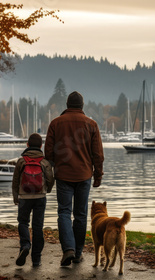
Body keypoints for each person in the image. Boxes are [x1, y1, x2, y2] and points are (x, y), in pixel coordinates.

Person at [45, 91, 104, 266]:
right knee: (80, 215)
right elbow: (98, 154)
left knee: (64, 212)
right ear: (82, 106)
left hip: (63, 175)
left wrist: (56, 167)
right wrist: (98, 175)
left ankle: (68, 249)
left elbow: (48, 153)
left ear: (67, 105)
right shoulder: (91, 124)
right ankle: (78, 253)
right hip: (84, 175)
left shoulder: (55, 123)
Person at [12, 133, 55, 267]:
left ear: (27, 145)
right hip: (40, 197)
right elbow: (50, 179)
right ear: (41, 146)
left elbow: (15, 181)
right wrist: (46, 191)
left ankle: (25, 245)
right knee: (38, 227)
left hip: (24, 197)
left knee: (23, 222)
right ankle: (36, 259)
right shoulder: (44, 162)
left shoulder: (21, 161)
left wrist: (15, 196)